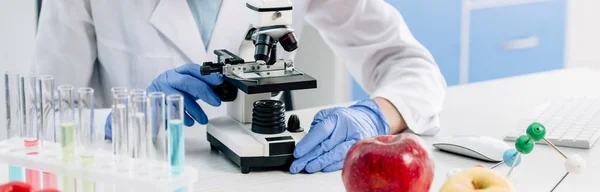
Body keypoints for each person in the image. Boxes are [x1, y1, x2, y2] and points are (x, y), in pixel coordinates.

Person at [32, 0, 446, 173]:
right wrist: (123, 119)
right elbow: (37, 116)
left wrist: (374, 113)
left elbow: (409, 64)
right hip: (143, 175)